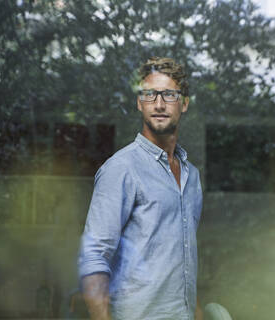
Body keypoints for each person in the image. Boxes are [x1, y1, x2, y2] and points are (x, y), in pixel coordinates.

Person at [78, 57, 204, 320]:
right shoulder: (121, 169)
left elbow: (183, 260)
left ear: (185, 103)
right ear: (139, 102)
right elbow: (94, 257)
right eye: (149, 94)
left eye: (169, 95)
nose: (158, 104)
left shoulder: (192, 176)